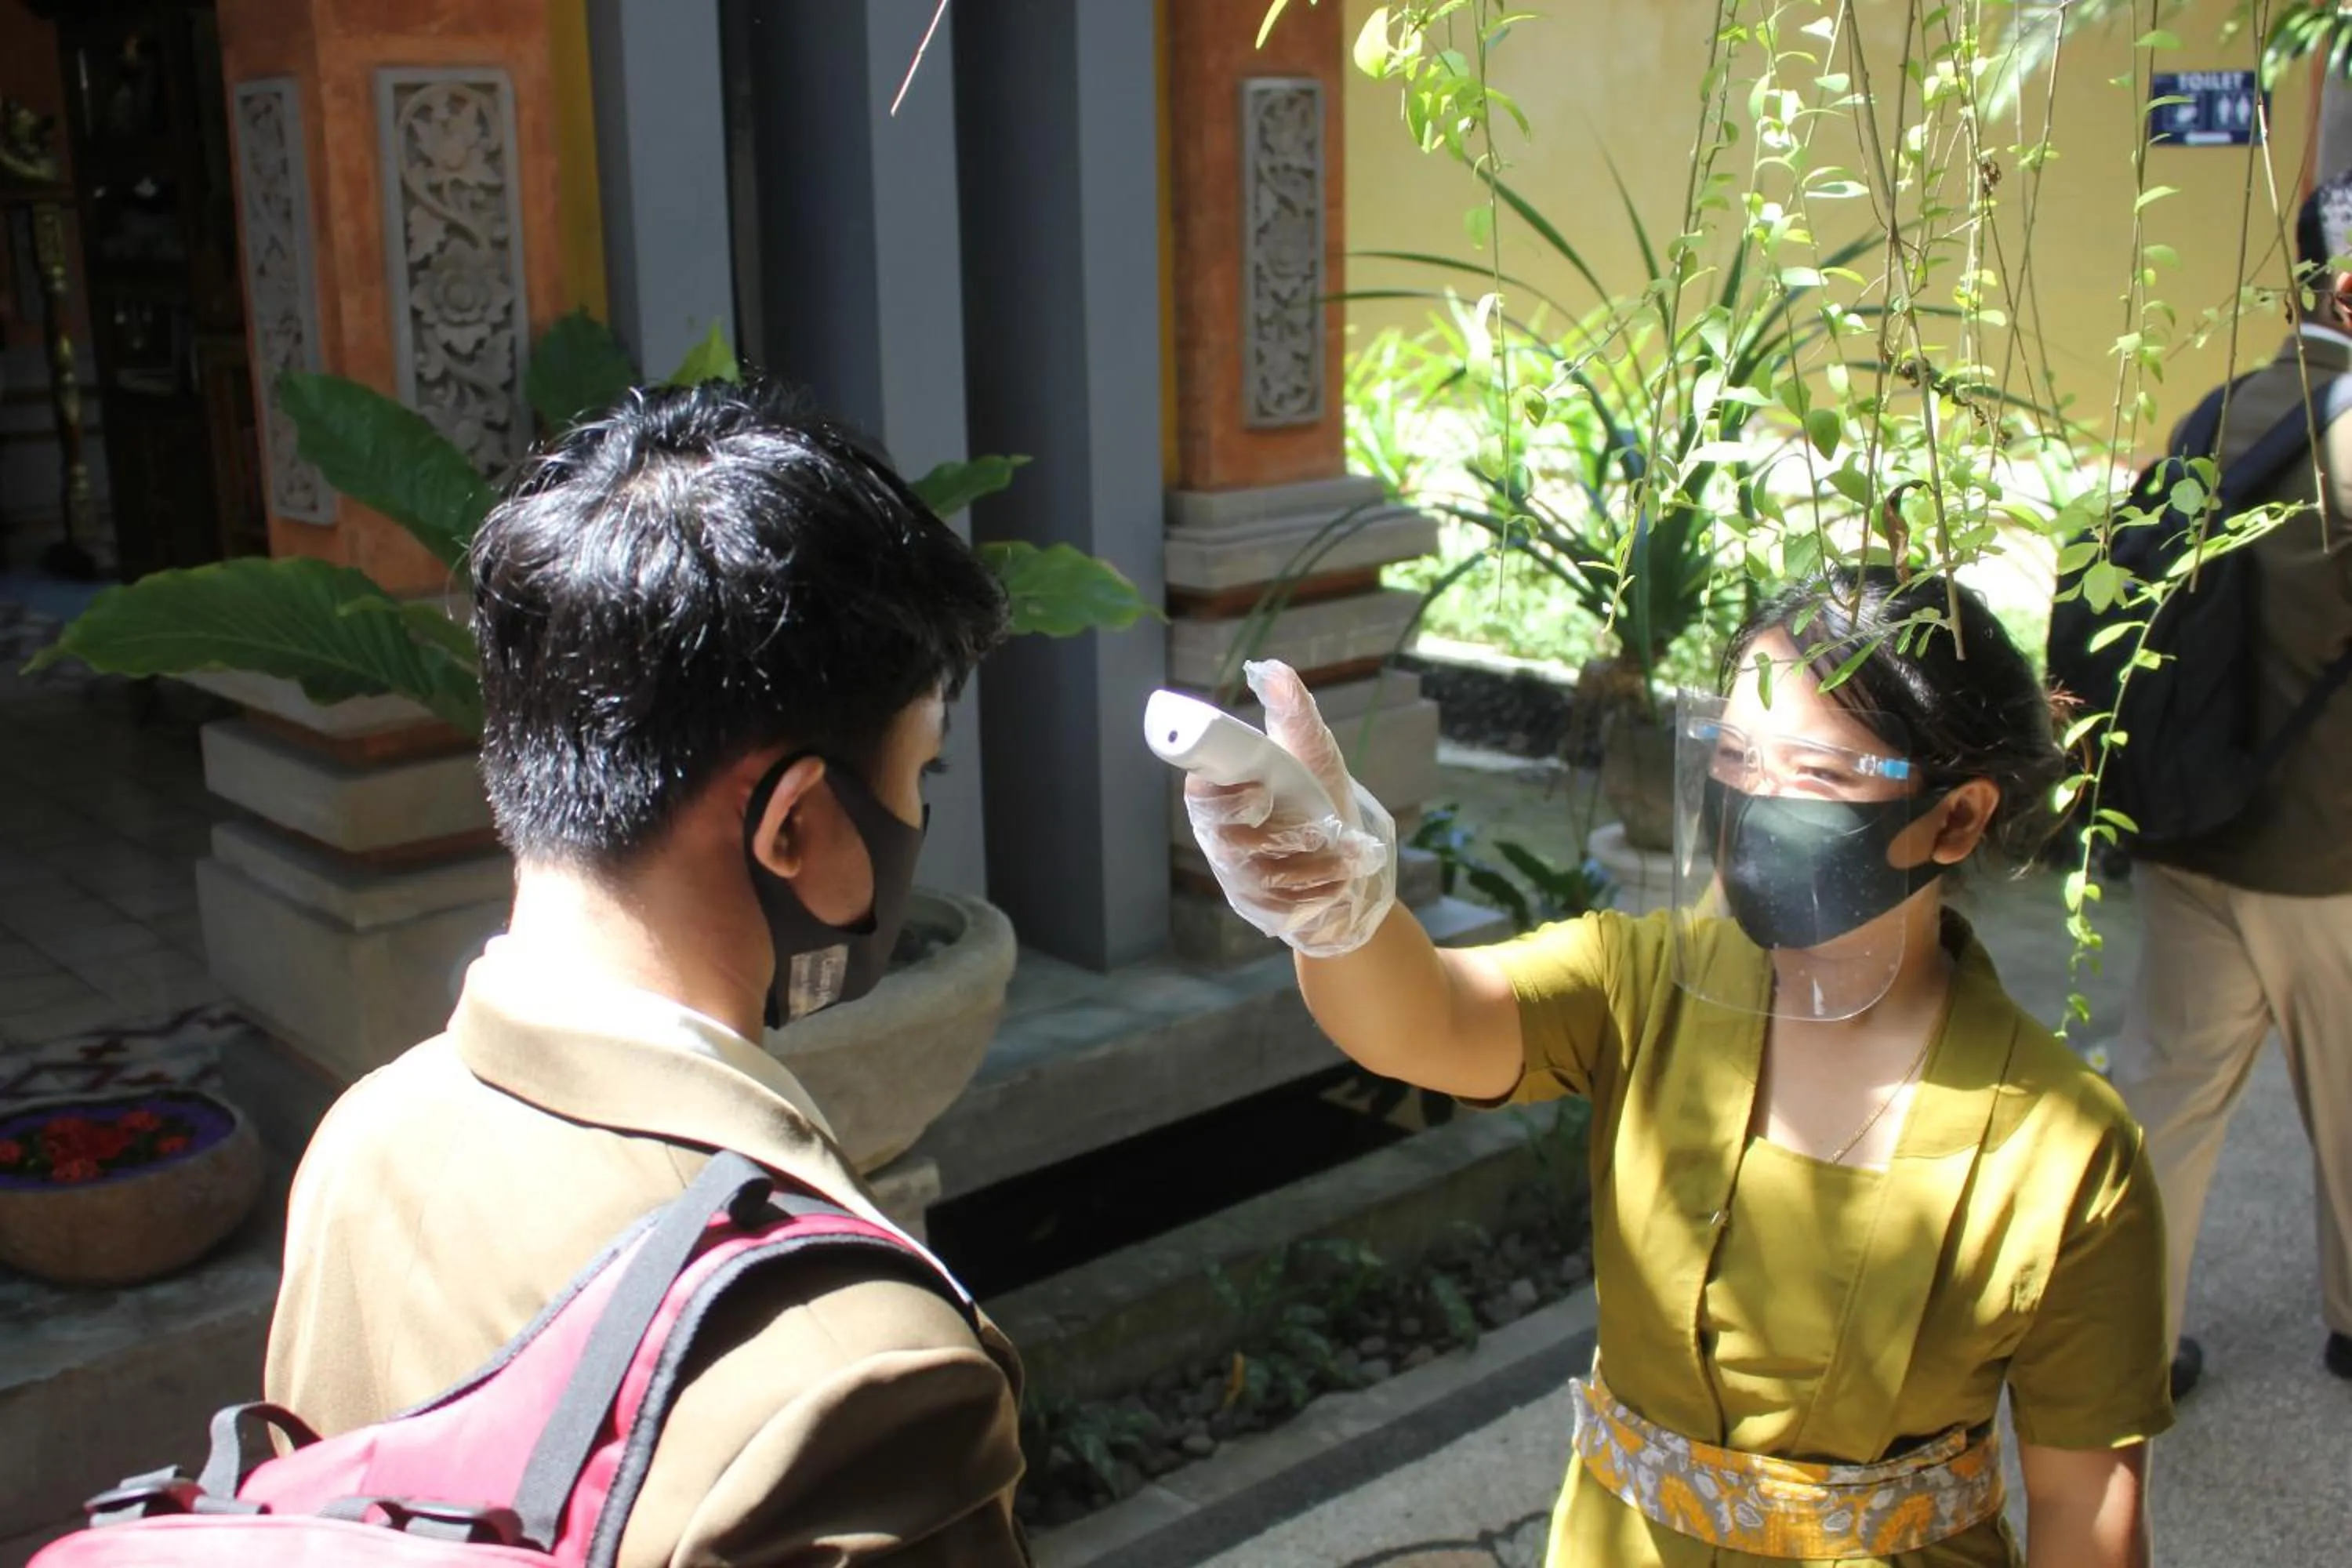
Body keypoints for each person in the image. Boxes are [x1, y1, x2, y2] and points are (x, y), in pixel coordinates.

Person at [1185, 568, 2170, 1567]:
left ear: (1956, 818)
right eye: (1736, 754)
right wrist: (1337, 908)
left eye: (1818, 773)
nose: (1756, 798)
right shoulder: (1646, 980)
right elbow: (1426, 1020)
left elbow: (2084, 1505)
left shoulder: (2065, 1148)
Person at [264, 379, 1030, 1564]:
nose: (920, 815)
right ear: (794, 827)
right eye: (918, 777)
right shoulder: (856, 1363)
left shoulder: (363, 1144)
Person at [2104, 166, 2352, 1401]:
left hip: (2186, 828)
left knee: (2163, 1100)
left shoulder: (2225, 409)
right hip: (2330, 865)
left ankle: (2127, 1348)